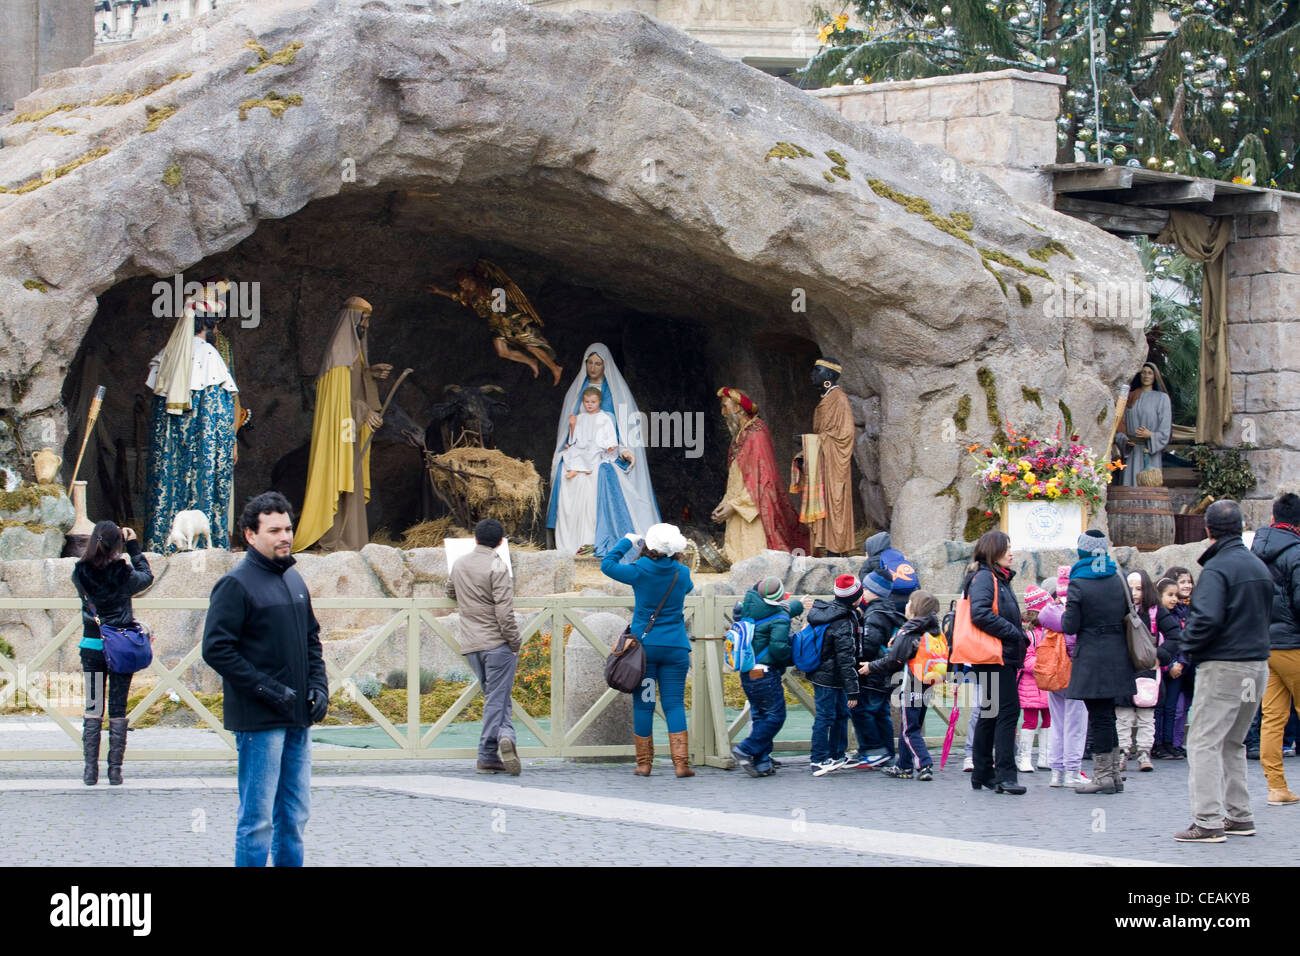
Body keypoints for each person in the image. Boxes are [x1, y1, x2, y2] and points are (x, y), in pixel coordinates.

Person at [202, 492, 329, 866]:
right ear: (250, 535)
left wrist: (319, 687)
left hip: (297, 718)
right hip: (259, 721)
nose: (284, 536)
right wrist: (268, 690)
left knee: (294, 817)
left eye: (288, 528)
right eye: (274, 530)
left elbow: (311, 639)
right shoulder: (235, 584)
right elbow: (216, 649)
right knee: (257, 821)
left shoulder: (294, 577)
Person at [1173, 500, 1273, 842]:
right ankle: (1240, 814)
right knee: (1233, 741)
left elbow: (1207, 619)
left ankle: (1208, 821)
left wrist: (1187, 647)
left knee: (1203, 740)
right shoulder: (1257, 565)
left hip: (1224, 665)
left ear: (1208, 530)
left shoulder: (1217, 569)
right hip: (1257, 665)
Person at [144, 284, 239, 551]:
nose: (217, 331)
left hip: (171, 450)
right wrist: (229, 441)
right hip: (201, 451)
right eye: (215, 326)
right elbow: (219, 414)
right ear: (207, 326)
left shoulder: (169, 356)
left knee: (168, 481)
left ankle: (162, 542)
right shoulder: (209, 355)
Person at [295, 297, 391, 552]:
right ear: (354, 319)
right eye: (365, 319)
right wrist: (364, 410)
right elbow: (337, 400)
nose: (367, 325)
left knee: (353, 477)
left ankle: (352, 539)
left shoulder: (354, 351)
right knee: (340, 476)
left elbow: (352, 384)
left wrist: (369, 373)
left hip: (350, 427)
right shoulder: (339, 352)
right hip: (341, 429)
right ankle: (335, 538)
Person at [600, 523, 694, 777]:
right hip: (675, 648)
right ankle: (681, 764)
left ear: (648, 546)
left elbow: (606, 564)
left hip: (645, 651)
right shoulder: (682, 573)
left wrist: (627, 542)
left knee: (645, 704)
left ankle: (644, 764)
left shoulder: (640, 570)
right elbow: (688, 590)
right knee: (674, 704)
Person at [547, 345, 660, 554]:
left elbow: (623, 426)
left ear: (605, 365)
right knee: (564, 471)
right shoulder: (577, 392)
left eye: (598, 363)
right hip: (581, 449)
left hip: (605, 451)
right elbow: (570, 426)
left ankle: (593, 537)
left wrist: (624, 448)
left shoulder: (615, 392)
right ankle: (572, 539)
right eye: (589, 362)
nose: (593, 367)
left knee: (599, 474)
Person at [72, 520, 153, 786]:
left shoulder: (79, 572)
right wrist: (133, 547)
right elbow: (146, 577)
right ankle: (115, 771)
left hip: (93, 647)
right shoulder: (123, 572)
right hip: (120, 647)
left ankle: (89, 771)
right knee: (118, 707)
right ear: (117, 544)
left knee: (93, 706)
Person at [447, 518, 522, 775]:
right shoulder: (497, 565)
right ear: (501, 542)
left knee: (497, 698)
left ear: (475, 539)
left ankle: (505, 736)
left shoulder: (459, 563)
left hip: (471, 644)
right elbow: (504, 612)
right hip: (497, 644)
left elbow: (450, 591)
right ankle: (487, 752)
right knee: (496, 699)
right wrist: (515, 641)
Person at [1063, 530, 1136, 795]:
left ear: (1082, 552)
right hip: (1117, 653)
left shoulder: (1079, 582)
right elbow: (1129, 613)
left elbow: (1070, 625)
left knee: (1099, 717)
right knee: (1108, 715)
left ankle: (1103, 776)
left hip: (1092, 656)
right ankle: (1114, 775)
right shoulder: (1118, 577)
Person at [711, 387, 808, 562]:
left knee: (755, 563)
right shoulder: (740, 436)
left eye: (725, 406)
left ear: (739, 408)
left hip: (753, 514)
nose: (723, 412)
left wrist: (734, 505)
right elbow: (737, 478)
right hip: (738, 511)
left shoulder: (756, 433)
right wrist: (725, 503)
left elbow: (763, 480)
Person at [428, 260, 563, 385]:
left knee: (531, 346)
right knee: (502, 352)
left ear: (470, 278)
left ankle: (555, 368)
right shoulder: (467, 294)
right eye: (461, 284)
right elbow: (455, 296)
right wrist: (439, 291)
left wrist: (498, 310)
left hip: (510, 319)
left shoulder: (488, 286)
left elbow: (501, 302)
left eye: (464, 282)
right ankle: (531, 362)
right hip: (496, 324)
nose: (463, 286)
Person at [965, 531, 1027, 794]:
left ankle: (982, 773)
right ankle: (1005, 775)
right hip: (995, 656)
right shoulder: (985, 577)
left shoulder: (995, 577)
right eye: (1007, 548)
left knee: (991, 712)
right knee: (1008, 711)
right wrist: (1015, 634)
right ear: (994, 551)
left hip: (996, 655)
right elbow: (979, 614)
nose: (1011, 553)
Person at [1249, 492, 1300, 807]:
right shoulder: (1297, 553)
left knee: (1272, 717)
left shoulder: (1254, 552)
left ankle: (1277, 787)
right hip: (1294, 644)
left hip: (1264, 646)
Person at [861, 589, 942, 780]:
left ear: (914, 609)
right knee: (912, 724)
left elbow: (893, 660)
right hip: (926, 683)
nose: (905, 605)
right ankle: (903, 766)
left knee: (909, 729)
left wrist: (870, 667)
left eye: (909, 603)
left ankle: (924, 764)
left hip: (911, 684)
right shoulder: (932, 629)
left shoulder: (909, 631)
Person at [729, 576, 804, 777]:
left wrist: (798, 605)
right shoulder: (779, 618)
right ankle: (746, 748)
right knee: (776, 715)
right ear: (779, 600)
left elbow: (783, 609)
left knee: (761, 716)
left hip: (748, 672)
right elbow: (778, 648)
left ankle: (761, 762)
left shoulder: (746, 609)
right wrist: (792, 656)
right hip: (766, 674)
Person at [553, 386, 637, 554]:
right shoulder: (580, 417)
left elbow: (609, 436)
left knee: (593, 452)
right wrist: (572, 426)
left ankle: (584, 468)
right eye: (587, 402)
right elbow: (574, 439)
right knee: (572, 452)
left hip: (596, 448)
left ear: (599, 402)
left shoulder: (604, 418)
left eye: (593, 402)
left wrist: (611, 445)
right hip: (581, 447)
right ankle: (576, 469)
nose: (589, 405)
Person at [1114, 570, 1180, 773]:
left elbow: (1175, 634)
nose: (1134, 593)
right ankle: (1123, 751)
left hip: (1147, 669)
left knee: (1146, 714)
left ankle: (1144, 752)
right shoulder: (1117, 609)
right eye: (1131, 588)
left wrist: (1160, 656)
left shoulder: (1155, 611)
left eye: (1139, 588)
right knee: (1123, 715)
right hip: (1124, 668)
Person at [792, 359, 855, 556]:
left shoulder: (839, 399)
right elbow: (824, 435)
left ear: (828, 375)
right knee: (825, 503)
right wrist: (807, 450)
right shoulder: (827, 399)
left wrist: (810, 441)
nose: (812, 374)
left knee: (834, 503)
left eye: (816, 370)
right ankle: (827, 548)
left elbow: (844, 437)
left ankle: (834, 550)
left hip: (834, 465)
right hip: (823, 463)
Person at [805, 574, 864, 775]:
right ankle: (818, 759)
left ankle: (837, 755)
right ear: (854, 599)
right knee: (825, 716)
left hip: (829, 674)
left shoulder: (830, 611)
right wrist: (853, 690)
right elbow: (846, 658)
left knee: (840, 713)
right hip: (828, 676)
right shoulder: (843, 620)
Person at [1040, 567, 1089, 789]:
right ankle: (1072, 770)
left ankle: (1056, 772)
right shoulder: (1076, 617)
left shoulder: (1049, 615)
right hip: (1074, 674)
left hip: (1053, 676)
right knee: (1075, 725)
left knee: (1057, 724)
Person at [852, 569, 903, 768]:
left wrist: (854, 654)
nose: (863, 591)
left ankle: (874, 749)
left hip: (872, 673)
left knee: (862, 711)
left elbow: (869, 645)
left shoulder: (875, 614)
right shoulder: (889, 610)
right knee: (881, 712)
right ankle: (886, 752)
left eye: (865, 587)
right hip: (887, 674)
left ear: (873, 591)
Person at [1114, 362, 1172, 485]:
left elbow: (1165, 431)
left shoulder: (1162, 399)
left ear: (1155, 376)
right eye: (1143, 372)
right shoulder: (1130, 397)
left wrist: (1151, 435)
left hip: (1150, 452)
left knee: (1148, 485)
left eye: (1150, 373)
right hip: (1132, 452)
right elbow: (1118, 426)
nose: (1146, 376)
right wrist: (1124, 440)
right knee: (1129, 486)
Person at [1153, 577, 1190, 760]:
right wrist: (1168, 664)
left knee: (1171, 708)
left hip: (1177, 669)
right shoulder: (1154, 615)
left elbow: (1184, 641)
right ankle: (1157, 743)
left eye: (1176, 595)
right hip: (1161, 666)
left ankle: (1169, 743)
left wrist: (1181, 662)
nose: (1174, 599)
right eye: (1169, 595)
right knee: (1158, 708)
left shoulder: (1181, 615)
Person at [1017, 585, 1053, 773]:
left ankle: (1045, 757)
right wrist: (1044, 664)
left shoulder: (1050, 631)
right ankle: (1024, 757)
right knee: (1030, 720)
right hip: (1032, 685)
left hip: (1047, 685)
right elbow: (1027, 659)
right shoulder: (1029, 634)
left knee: (1048, 719)